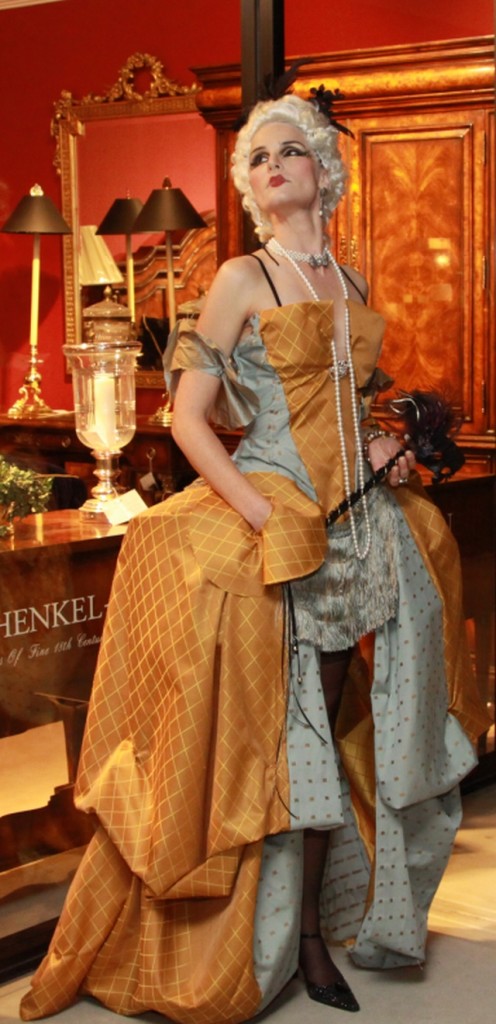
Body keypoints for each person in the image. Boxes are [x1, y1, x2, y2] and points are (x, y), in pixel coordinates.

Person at [20, 89, 488, 1024]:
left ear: (324, 169)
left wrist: (386, 445)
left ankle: (329, 909)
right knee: (290, 733)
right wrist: (262, 513)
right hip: (272, 509)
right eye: (259, 159)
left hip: (358, 518)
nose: (272, 168)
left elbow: (350, 406)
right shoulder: (242, 276)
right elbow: (189, 420)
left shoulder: (349, 280)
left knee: (347, 714)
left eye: (289, 153)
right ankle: (298, 938)